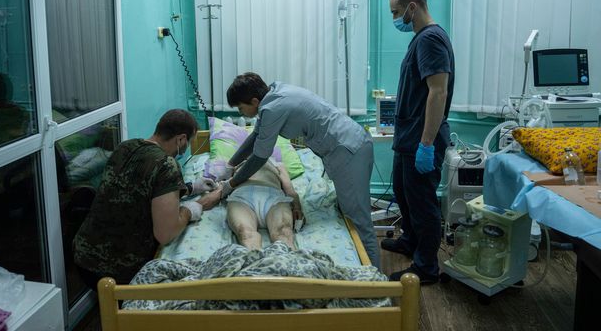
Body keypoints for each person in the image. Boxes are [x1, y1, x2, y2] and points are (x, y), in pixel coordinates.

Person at [220, 73, 380, 269]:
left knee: (358, 218)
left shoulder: (272, 108)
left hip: (348, 150)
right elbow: (256, 136)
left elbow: (261, 156)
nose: (241, 113)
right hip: (346, 146)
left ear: (254, 101)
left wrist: (231, 183)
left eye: (241, 108)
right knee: (350, 210)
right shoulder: (274, 95)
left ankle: (376, 282)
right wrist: (230, 164)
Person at [73, 109, 222, 289]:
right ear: (181, 139)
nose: (186, 148)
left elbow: (140, 188)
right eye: (188, 142)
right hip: (116, 270)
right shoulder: (166, 165)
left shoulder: (125, 147)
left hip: (83, 256)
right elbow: (165, 234)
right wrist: (189, 210)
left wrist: (191, 187)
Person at [382, 0, 455, 284]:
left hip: (421, 139)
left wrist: (426, 144)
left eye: (397, 13)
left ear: (413, 7)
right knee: (403, 193)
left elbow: (438, 92)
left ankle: (426, 267)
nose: (395, 19)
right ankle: (410, 240)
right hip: (408, 137)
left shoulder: (431, 40)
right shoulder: (419, 40)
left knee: (423, 204)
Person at [225, 158, 303, 250]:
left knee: (284, 232)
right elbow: (224, 186)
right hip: (242, 198)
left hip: (273, 198)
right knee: (245, 234)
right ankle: (256, 262)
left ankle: (289, 262)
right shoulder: (236, 163)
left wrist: (297, 208)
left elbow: (290, 190)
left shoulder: (277, 164)